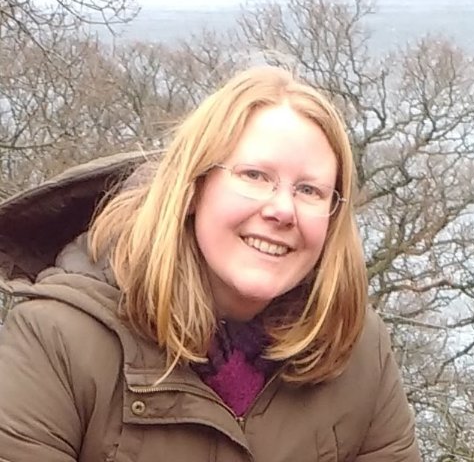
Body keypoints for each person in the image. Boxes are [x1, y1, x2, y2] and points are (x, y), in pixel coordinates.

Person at [0, 66, 420, 461]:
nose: (282, 210)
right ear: (195, 187)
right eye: (255, 175)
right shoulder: (57, 340)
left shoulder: (355, 349)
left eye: (310, 190)